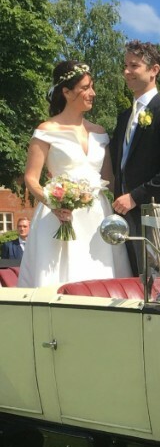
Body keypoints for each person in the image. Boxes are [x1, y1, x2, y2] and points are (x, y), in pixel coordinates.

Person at [18, 61, 132, 288]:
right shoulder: (46, 130)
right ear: (67, 92)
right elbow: (31, 178)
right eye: (86, 88)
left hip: (97, 216)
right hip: (59, 215)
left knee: (101, 278)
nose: (93, 93)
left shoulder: (100, 132)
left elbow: (110, 181)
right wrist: (53, 203)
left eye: (92, 87)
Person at [110, 41, 160, 274]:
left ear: (154, 70)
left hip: (154, 219)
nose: (126, 71)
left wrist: (134, 197)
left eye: (134, 65)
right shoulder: (124, 117)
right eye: (125, 65)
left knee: (155, 284)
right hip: (123, 219)